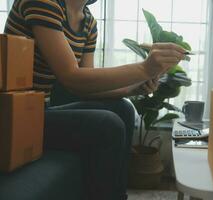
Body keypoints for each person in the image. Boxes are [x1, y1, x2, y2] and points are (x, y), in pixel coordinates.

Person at [4, 0, 186, 199]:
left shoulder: (88, 21)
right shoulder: (43, 3)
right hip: (10, 116)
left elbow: (87, 89)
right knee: (107, 125)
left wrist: (132, 89)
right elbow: (71, 77)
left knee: (123, 109)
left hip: (40, 111)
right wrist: (144, 69)